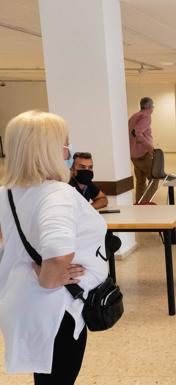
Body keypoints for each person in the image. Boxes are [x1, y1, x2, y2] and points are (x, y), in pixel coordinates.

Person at [0, 110, 109, 384]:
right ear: (48, 149)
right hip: (58, 308)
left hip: (26, 303)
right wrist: (49, 277)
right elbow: (58, 249)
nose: (68, 149)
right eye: (65, 142)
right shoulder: (57, 194)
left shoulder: (7, 191)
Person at [128, 97, 157, 203]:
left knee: (140, 181)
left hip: (134, 154)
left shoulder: (134, 116)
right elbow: (135, 132)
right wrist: (148, 146)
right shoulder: (146, 116)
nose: (153, 108)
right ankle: (145, 203)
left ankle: (139, 203)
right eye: (153, 106)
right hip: (144, 154)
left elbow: (131, 133)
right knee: (154, 178)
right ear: (149, 107)